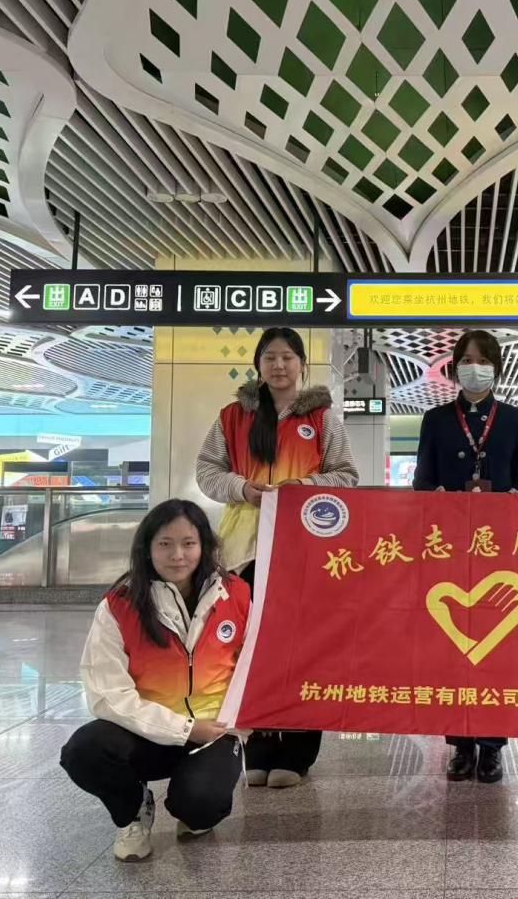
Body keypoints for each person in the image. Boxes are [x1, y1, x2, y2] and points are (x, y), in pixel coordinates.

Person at [196, 326, 358, 788]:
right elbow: (206, 471)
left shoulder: (323, 419)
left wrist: (302, 489)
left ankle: (299, 752)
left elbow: (346, 475)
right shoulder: (232, 417)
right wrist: (242, 488)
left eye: (288, 357)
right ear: (258, 365)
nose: (279, 365)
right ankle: (259, 746)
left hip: (305, 548)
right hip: (243, 550)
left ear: (302, 365)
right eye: (270, 357)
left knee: (303, 648)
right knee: (249, 648)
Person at [59, 499, 250, 862]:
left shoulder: (236, 594)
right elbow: (107, 694)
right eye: (165, 544)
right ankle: (133, 809)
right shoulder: (120, 604)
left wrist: (244, 720)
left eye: (189, 543)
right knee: (83, 751)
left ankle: (194, 806)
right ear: (147, 548)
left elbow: (256, 662)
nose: (178, 555)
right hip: (145, 730)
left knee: (201, 805)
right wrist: (185, 729)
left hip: (215, 730)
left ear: (204, 545)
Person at [413, 329, 518, 783]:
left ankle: (492, 746)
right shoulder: (436, 419)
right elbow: (421, 481)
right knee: (452, 647)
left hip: (497, 549)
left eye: (482, 360)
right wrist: (436, 497)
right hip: (449, 548)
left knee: (497, 647)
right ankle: (460, 745)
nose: (474, 368)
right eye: (465, 360)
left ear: (496, 368)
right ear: (454, 368)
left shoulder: (514, 419)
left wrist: (515, 497)